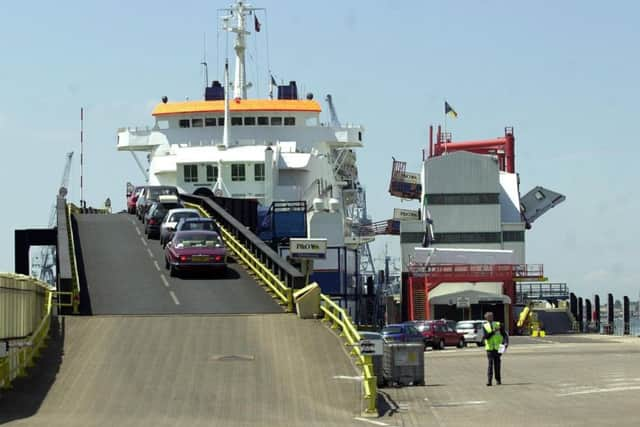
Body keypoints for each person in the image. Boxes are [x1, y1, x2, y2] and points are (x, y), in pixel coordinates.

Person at [483, 311, 509, 386]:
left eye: (491, 316)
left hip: (498, 348)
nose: (490, 318)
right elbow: (486, 337)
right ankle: (489, 381)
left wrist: (505, 344)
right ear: (486, 318)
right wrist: (493, 332)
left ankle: (498, 380)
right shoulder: (485, 326)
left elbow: (504, 335)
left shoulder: (498, 324)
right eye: (488, 317)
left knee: (497, 365)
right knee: (490, 365)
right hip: (490, 349)